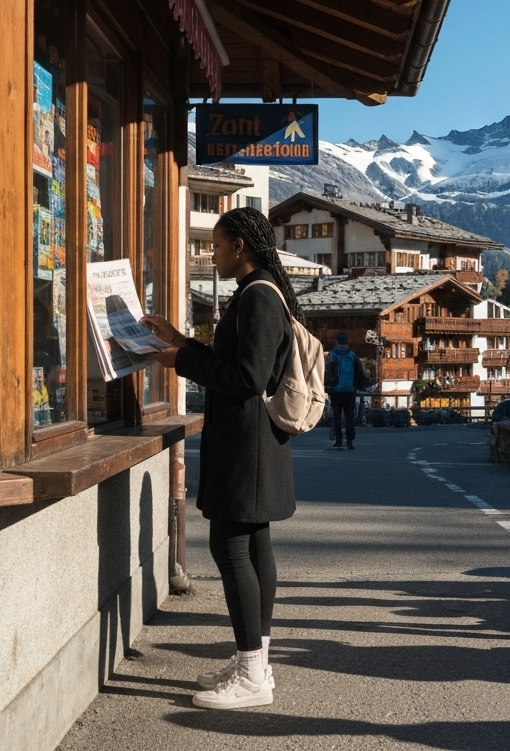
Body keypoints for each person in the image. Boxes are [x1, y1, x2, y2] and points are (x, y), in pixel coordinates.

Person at [141, 207, 297, 710]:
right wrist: (179, 341)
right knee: (254, 549)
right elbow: (235, 362)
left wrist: (182, 361)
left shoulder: (257, 297)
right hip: (253, 445)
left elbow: (247, 377)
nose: (212, 253)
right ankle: (255, 661)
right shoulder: (262, 290)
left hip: (246, 446)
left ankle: (253, 674)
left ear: (240, 247)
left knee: (233, 549)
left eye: (217, 243)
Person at [326, 332, 366, 449]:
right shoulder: (352, 355)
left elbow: (327, 372)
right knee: (350, 417)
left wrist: (327, 386)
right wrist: (359, 386)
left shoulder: (333, 355)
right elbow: (359, 372)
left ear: (337, 341)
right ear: (347, 341)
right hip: (349, 390)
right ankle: (350, 441)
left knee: (337, 416)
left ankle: (339, 441)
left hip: (336, 390)